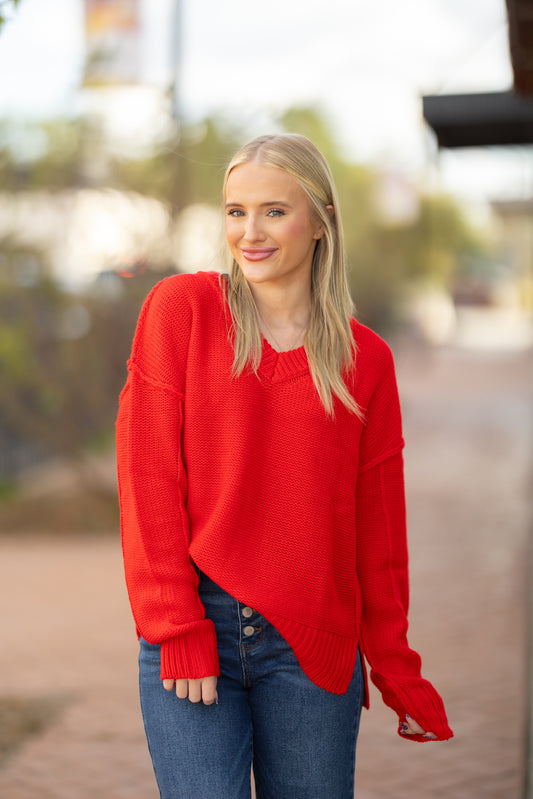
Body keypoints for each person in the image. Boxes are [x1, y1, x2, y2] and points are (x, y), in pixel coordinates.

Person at [116, 133, 453, 799]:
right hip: (197, 627)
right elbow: (148, 480)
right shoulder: (181, 310)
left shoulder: (366, 360)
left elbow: (377, 530)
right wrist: (175, 624)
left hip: (312, 648)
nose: (250, 232)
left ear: (321, 219)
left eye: (273, 210)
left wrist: (394, 665)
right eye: (235, 211)